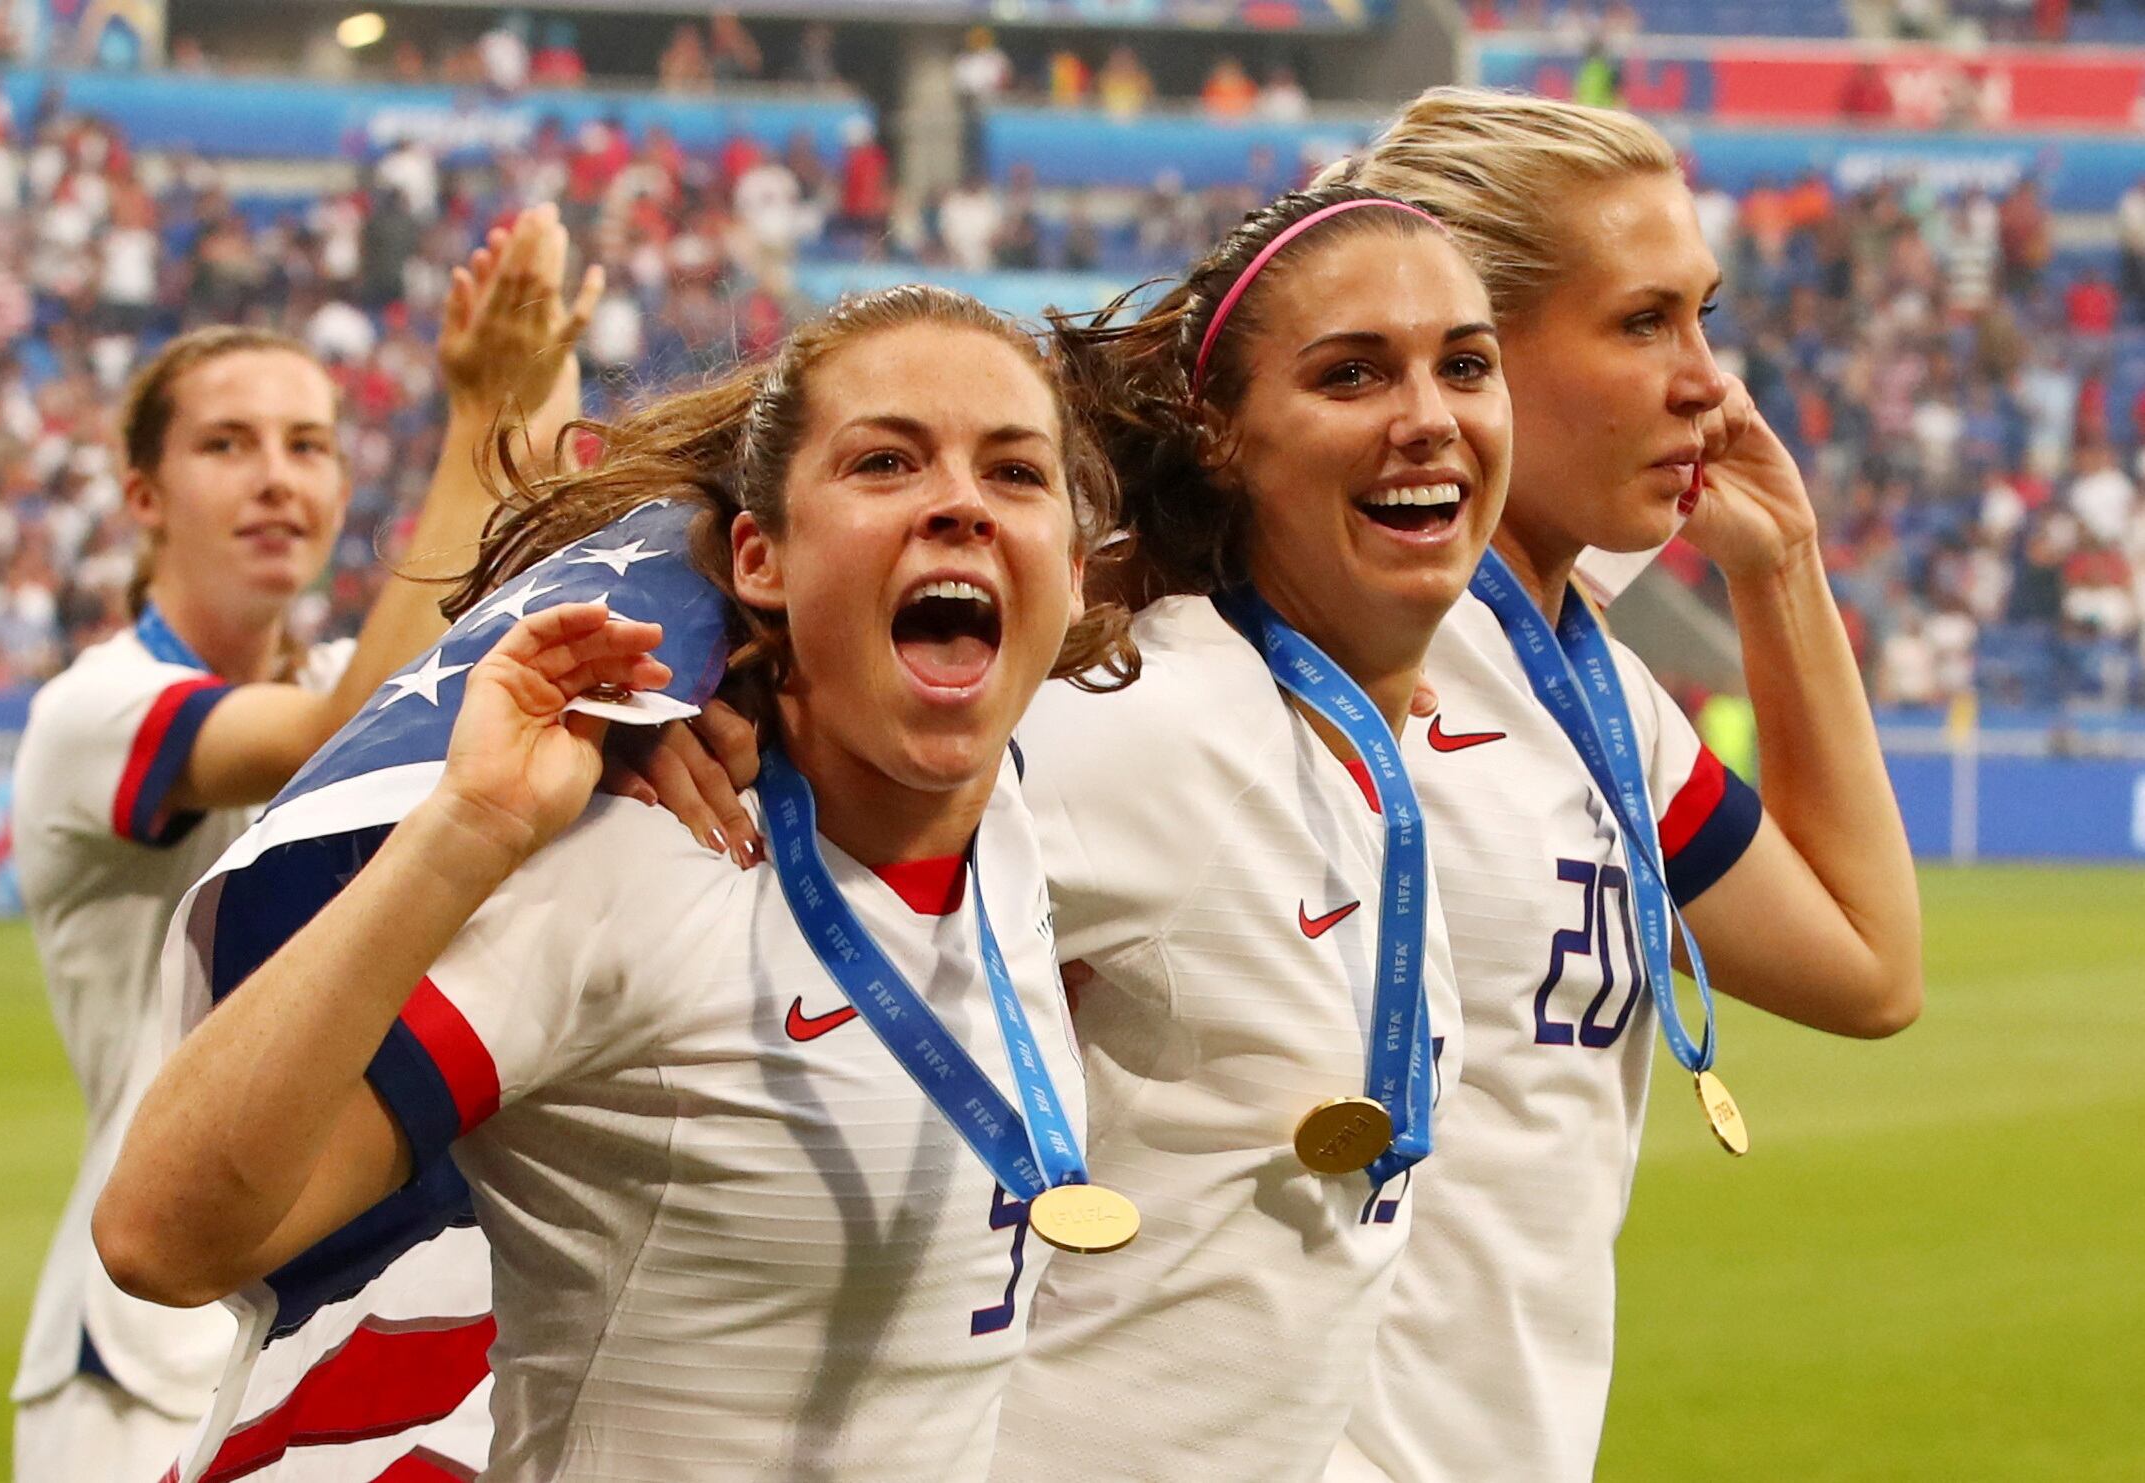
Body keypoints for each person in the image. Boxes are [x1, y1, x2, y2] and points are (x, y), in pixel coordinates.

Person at [94, 286, 1138, 1481]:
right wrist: (468, 827)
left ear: (1068, 560)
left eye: (1014, 473)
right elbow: (159, 1237)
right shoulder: (636, 879)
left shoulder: (1010, 816)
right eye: (886, 461)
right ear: (760, 556)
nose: (958, 501)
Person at [661, 186, 1506, 1481]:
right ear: (1216, 434)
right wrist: (681, 706)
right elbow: (821, 821)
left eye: (1464, 363)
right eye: (1352, 374)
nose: (1428, 415)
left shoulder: (1333, 733)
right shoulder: (1157, 721)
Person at [1315, 88, 1923, 1481]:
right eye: (1641, 321)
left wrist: (1780, 573)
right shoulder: (1298, 638)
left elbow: (1867, 966)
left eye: (1699, 316)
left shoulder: (1593, 697)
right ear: (1466, 350)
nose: (1706, 377)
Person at [6, 205, 598, 1483]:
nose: (278, 475)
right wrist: (471, 417)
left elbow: (513, 587)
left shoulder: (356, 666)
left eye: (309, 444)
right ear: (144, 499)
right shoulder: (92, 710)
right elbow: (342, 732)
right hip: (145, 1345)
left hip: (326, 1287)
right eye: (229, 444)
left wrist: (530, 384)